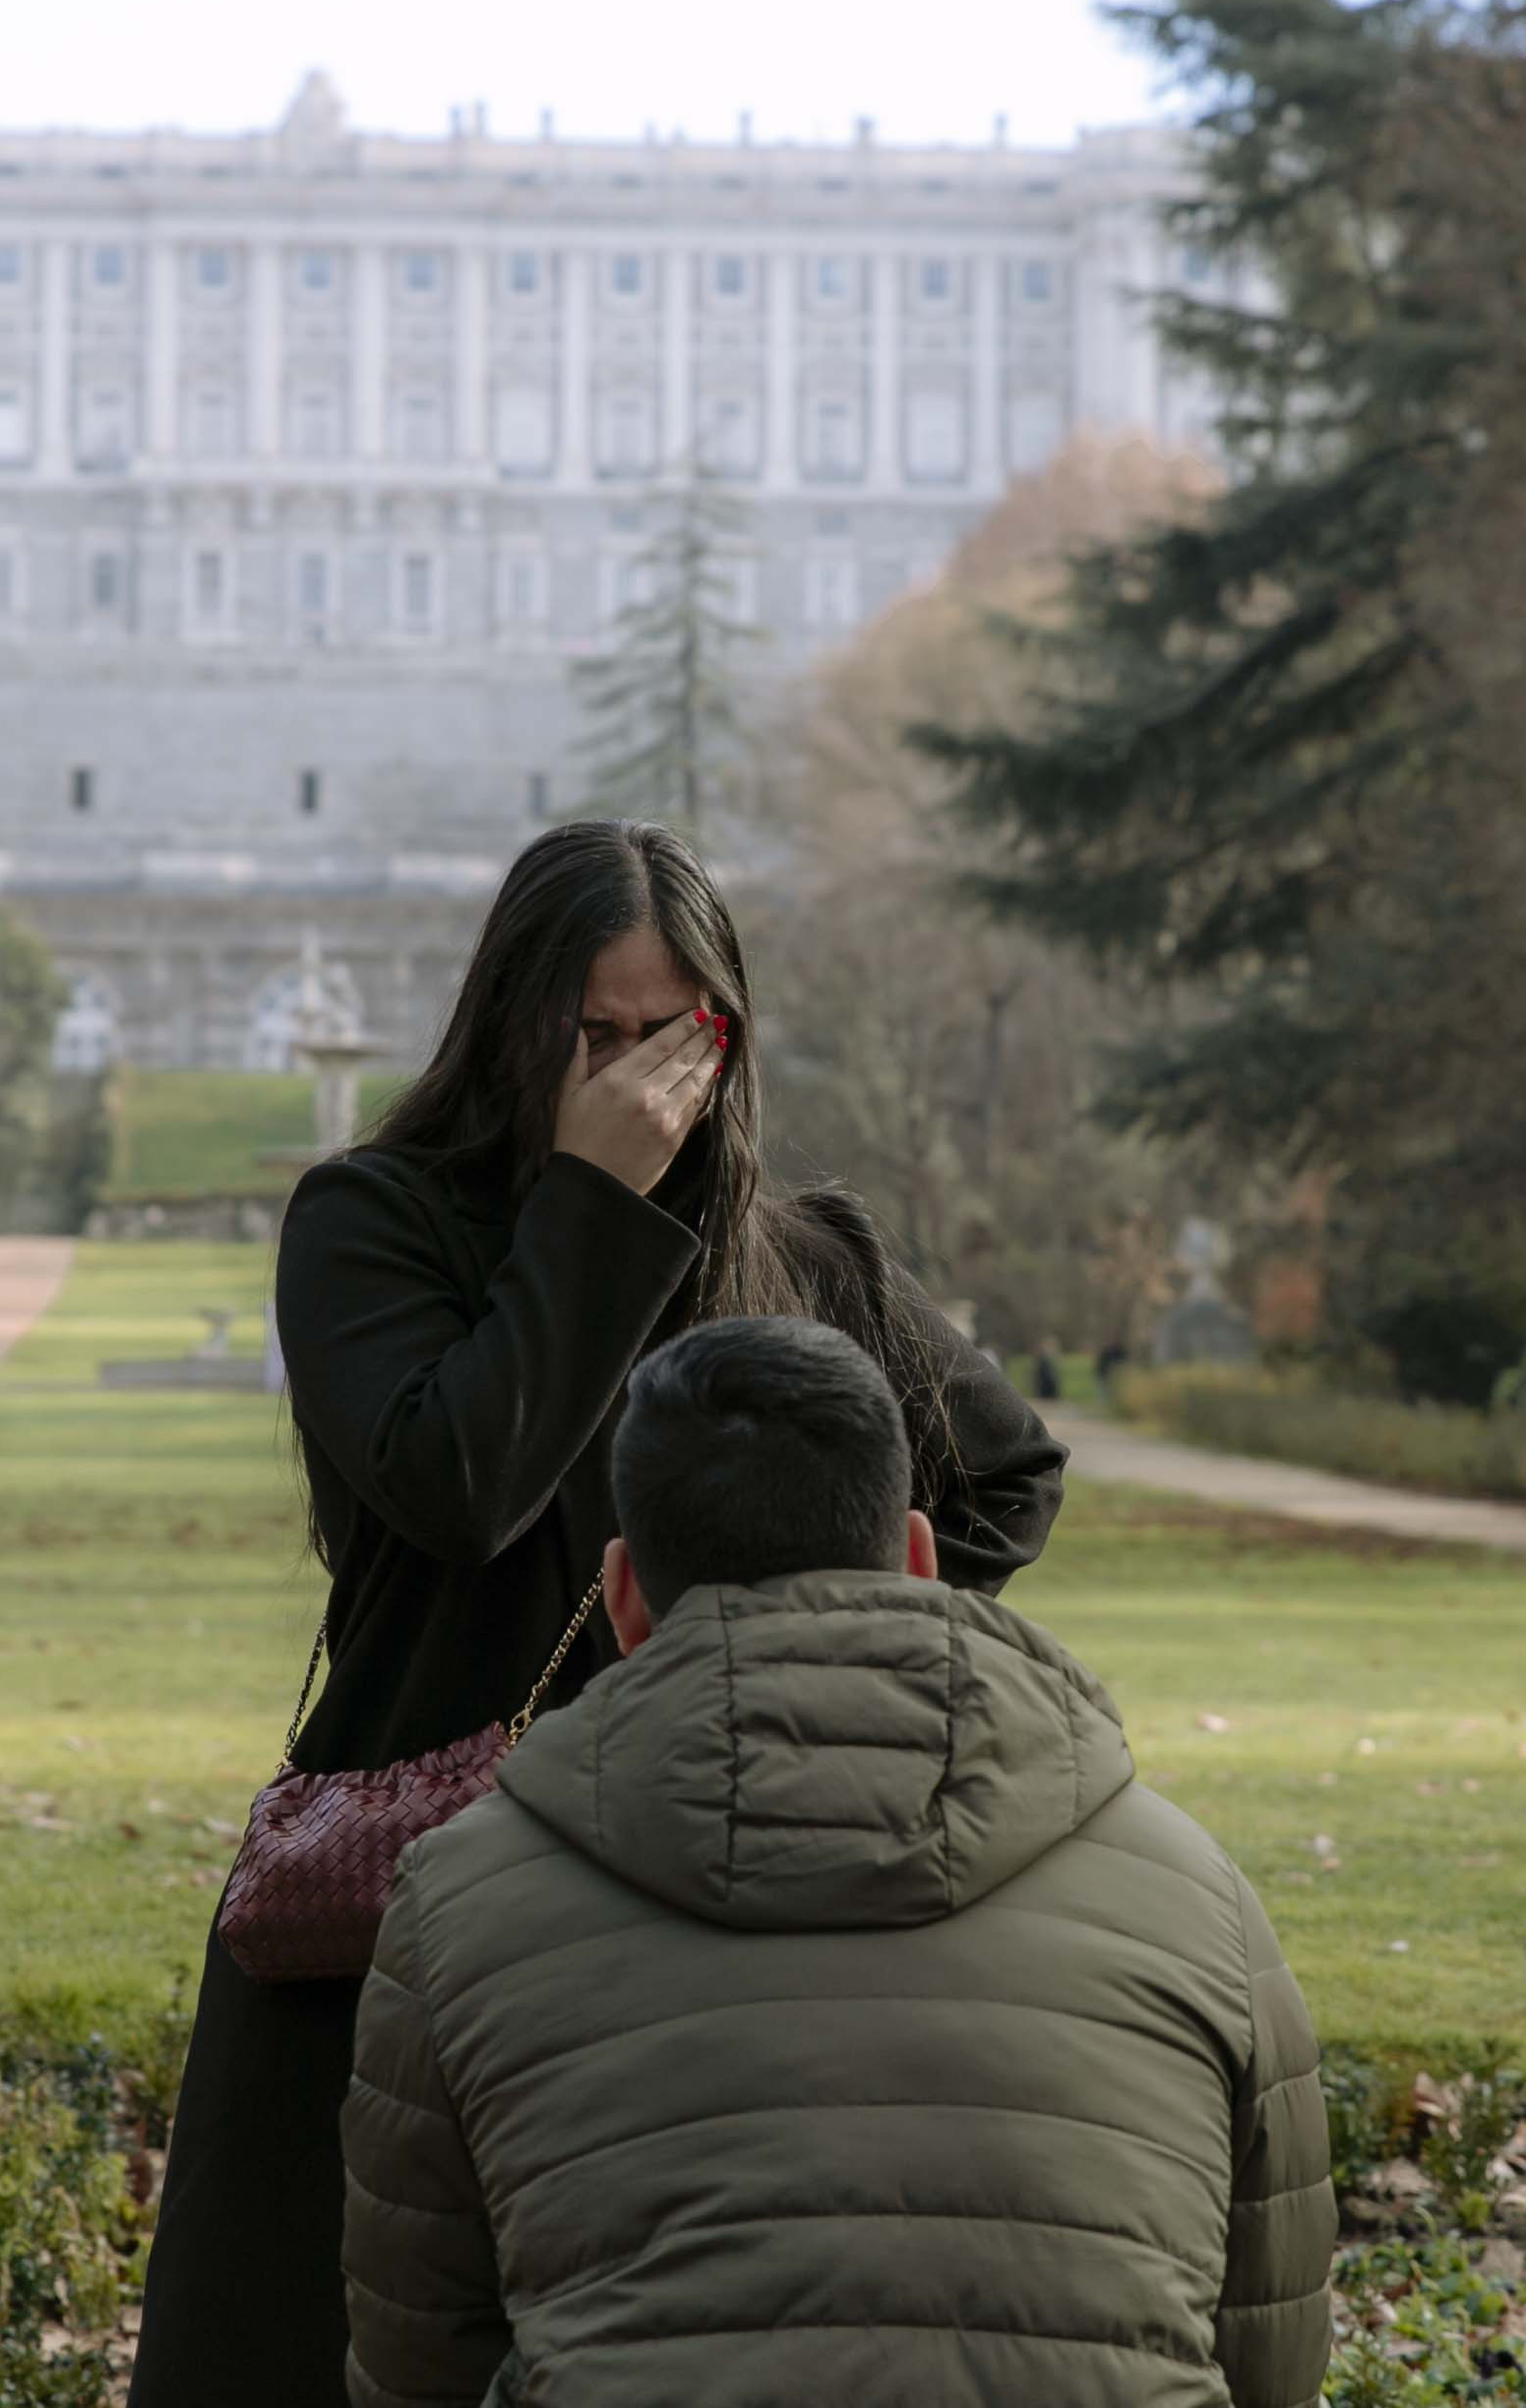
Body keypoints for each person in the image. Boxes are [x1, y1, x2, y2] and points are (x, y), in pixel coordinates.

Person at [128, 820, 1068, 2408]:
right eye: (595, 1033)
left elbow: (1002, 1478)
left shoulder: (805, 1255)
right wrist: (591, 1202)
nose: (638, 1079)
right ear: (515, 1021)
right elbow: (455, 1484)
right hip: (403, 1901)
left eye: (673, 1034)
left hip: (698, 1912)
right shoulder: (373, 1222)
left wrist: (807, 1676)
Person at [342, 1315, 1333, 2407]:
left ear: (625, 1600)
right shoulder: (1195, 1894)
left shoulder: (458, 1906)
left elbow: (418, 2358)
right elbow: (1269, 2353)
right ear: (918, 1558)